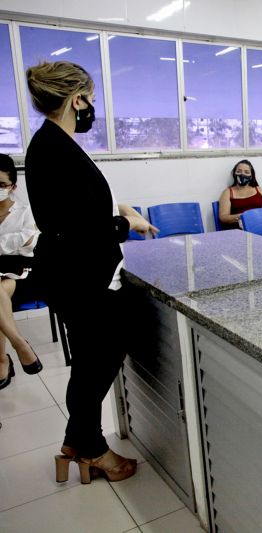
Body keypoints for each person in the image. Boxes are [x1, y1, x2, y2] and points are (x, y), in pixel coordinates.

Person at [25, 61, 157, 483]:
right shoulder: (55, 147)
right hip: (78, 276)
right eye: (91, 102)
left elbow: (75, 211)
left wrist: (113, 210)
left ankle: (73, 443)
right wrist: (126, 223)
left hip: (73, 272)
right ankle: (92, 448)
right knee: (97, 362)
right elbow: (79, 229)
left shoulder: (50, 144)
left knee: (90, 362)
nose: (91, 110)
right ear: (77, 99)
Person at [0, 154, 42, 390]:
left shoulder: (26, 211)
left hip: (22, 274)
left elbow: (28, 242)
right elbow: (19, 238)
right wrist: (12, 240)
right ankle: (19, 344)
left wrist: (8, 242)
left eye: (2, 185)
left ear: (13, 186)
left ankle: (2, 359)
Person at [217, 159, 262, 232]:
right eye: (239, 171)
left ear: (251, 176)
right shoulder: (228, 192)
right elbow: (223, 218)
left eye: (246, 172)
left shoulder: (258, 189)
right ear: (234, 174)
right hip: (241, 228)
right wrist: (242, 216)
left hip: (260, 224)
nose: (242, 174)